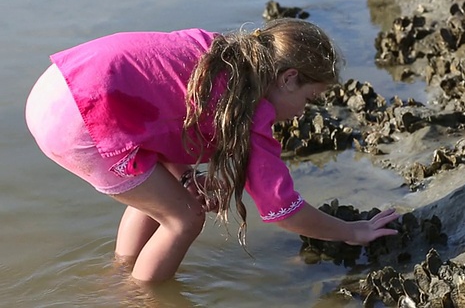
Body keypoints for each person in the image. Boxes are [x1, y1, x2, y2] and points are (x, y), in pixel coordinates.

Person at [25, 18, 400, 283]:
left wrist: (187, 177)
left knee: (161, 198)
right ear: (288, 79)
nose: (304, 111)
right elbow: (283, 210)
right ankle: (141, 298)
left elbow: (165, 111)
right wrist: (351, 231)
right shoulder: (253, 112)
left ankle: (121, 274)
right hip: (84, 120)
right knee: (184, 219)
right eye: (309, 98)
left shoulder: (223, 53)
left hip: (56, 87)